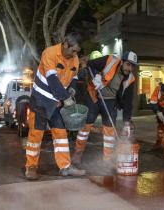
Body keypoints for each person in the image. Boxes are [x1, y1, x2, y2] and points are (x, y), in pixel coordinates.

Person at [25, 32, 86, 180]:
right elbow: (52, 79)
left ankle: (65, 167)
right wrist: (66, 99)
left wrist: (72, 90)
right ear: (65, 44)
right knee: (36, 134)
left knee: (61, 134)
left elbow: (74, 77)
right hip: (41, 100)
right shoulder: (50, 53)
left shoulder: (75, 59)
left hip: (57, 102)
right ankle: (31, 167)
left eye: (77, 52)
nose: (74, 54)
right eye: (73, 50)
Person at [71, 51, 137, 168]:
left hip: (110, 100)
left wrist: (127, 121)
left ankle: (107, 159)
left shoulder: (130, 79)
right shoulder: (110, 60)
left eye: (132, 66)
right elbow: (90, 64)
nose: (129, 68)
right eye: (128, 64)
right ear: (122, 62)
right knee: (87, 124)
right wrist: (97, 76)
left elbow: (128, 101)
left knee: (109, 130)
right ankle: (78, 153)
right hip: (95, 96)